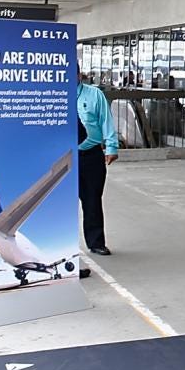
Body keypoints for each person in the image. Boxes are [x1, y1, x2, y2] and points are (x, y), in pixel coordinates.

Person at [76, 74, 120, 255]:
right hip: (64, 156)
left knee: (92, 199)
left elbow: (105, 120)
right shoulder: (53, 95)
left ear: (79, 75)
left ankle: (96, 242)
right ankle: (64, 248)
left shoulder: (94, 95)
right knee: (64, 203)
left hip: (90, 155)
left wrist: (111, 147)